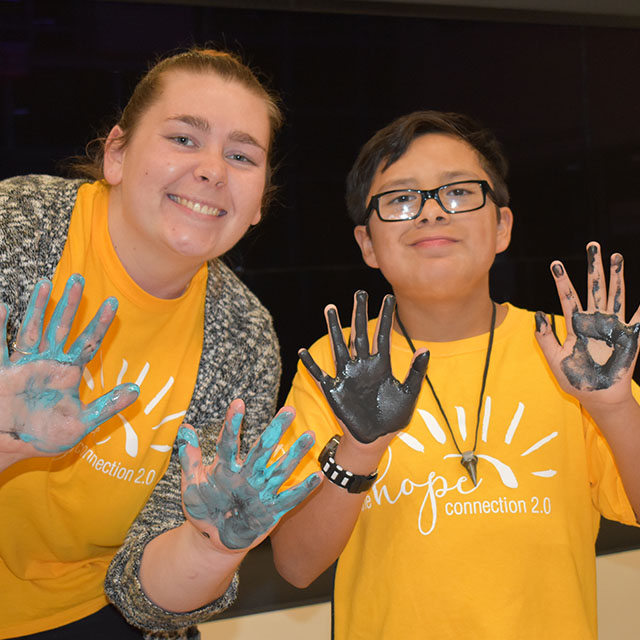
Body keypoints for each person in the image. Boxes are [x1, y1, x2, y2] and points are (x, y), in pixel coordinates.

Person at [270, 110, 640, 639]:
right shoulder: (339, 368)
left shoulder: (573, 355)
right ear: (367, 244)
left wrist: (613, 408)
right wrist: (359, 449)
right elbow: (295, 565)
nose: (431, 214)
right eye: (401, 199)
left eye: (458, 193)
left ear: (502, 226)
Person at [0, 48, 320, 640]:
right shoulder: (17, 226)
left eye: (242, 156)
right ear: (116, 154)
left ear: (257, 205)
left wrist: (213, 546)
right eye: (183, 139)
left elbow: (144, 598)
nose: (213, 171)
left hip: (91, 611)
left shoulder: (243, 336)